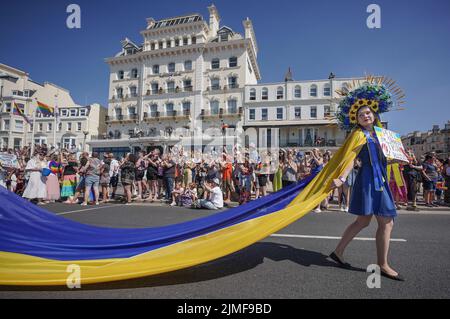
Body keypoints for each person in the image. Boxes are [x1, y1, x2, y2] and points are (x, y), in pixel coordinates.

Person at [329, 80, 404, 281]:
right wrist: (342, 177)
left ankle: (375, 262)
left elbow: (388, 159)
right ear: (357, 119)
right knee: (367, 221)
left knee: (383, 222)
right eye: (361, 114)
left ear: (374, 114)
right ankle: (380, 264)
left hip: (381, 179)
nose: (365, 116)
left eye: (368, 113)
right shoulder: (358, 135)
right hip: (367, 180)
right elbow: (351, 157)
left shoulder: (383, 135)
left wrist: (399, 158)